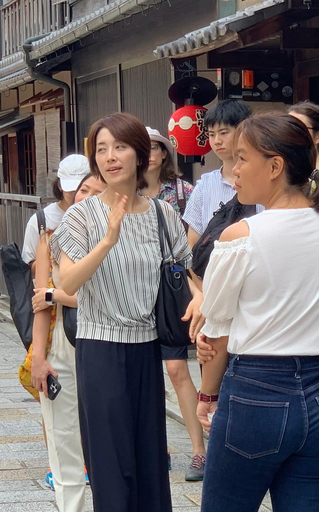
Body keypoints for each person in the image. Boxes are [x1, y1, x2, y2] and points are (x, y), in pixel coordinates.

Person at [194, 113, 319, 512]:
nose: (234, 170)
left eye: (242, 158)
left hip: (256, 392)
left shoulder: (243, 235)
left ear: (275, 165)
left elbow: (218, 329)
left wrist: (207, 394)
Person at [50, 112, 196, 512]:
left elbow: (186, 273)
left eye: (120, 146)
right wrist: (107, 241)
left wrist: (202, 304)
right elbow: (67, 284)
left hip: (148, 348)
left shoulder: (163, 214)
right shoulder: (82, 215)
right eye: (101, 149)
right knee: (111, 465)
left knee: (150, 459)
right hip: (100, 348)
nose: (110, 157)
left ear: (141, 154)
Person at [30, 173, 106, 512]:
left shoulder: (115, 239)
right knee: (63, 445)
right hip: (61, 344)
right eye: (82, 190)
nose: (84, 197)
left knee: (105, 444)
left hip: (105, 344)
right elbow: (39, 303)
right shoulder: (51, 239)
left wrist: (55, 293)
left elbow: (110, 299)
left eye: (95, 192)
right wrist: (38, 357)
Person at [143, 126, 206, 481]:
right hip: (135, 290)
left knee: (177, 369)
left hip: (171, 289)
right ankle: (156, 448)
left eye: (156, 147)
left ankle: (199, 451)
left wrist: (199, 291)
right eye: (144, 147)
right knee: (143, 372)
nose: (149, 153)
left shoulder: (183, 192)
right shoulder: (125, 192)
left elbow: (191, 246)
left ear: (166, 153)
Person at [183, 99, 259, 250]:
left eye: (224, 133)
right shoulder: (204, 186)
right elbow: (193, 245)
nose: (217, 141)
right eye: (211, 134)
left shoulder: (263, 180)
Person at [22, 155, 91, 270]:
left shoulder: (101, 216)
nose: (77, 194)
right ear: (60, 186)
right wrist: (54, 259)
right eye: (72, 190)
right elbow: (26, 267)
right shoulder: (41, 221)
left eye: (82, 189)